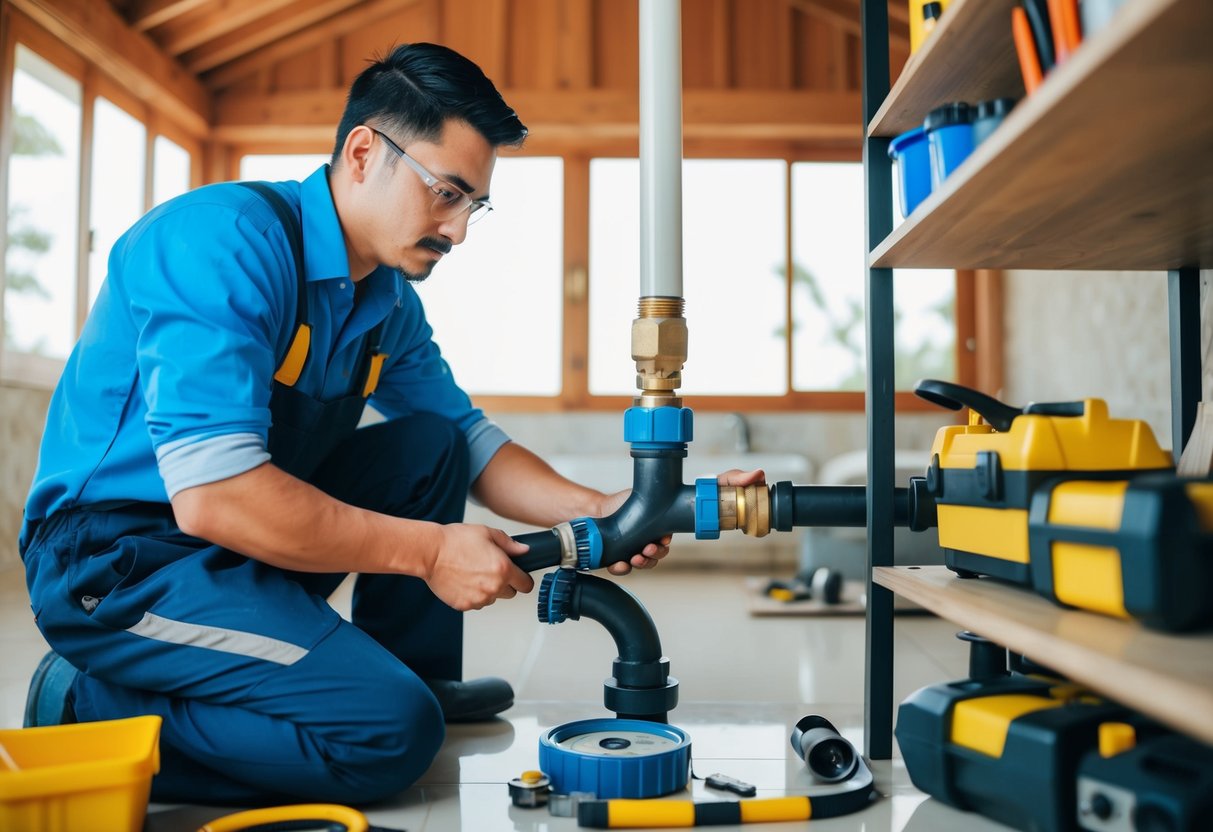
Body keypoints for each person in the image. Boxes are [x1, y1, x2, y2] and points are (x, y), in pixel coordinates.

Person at [18, 42, 762, 806]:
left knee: (428, 446)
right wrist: (429, 552)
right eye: (446, 192)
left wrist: (608, 512)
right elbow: (216, 495)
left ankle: (413, 673)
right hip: (118, 562)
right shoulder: (221, 241)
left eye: (473, 205)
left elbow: (469, 447)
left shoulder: (385, 305)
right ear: (365, 152)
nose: (460, 230)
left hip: (225, 550)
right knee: (385, 735)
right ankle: (80, 703)